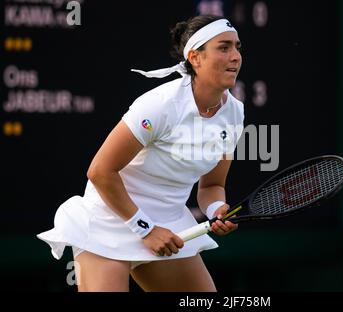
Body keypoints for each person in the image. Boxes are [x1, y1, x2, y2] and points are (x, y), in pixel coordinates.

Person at [37, 15, 244, 292]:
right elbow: (100, 171)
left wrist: (215, 209)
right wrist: (144, 228)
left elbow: (212, 185)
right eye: (224, 47)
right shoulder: (160, 105)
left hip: (169, 226)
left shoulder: (234, 114)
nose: (235, 57)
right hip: (110, 219)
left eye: (237, 47)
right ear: (195, 57)